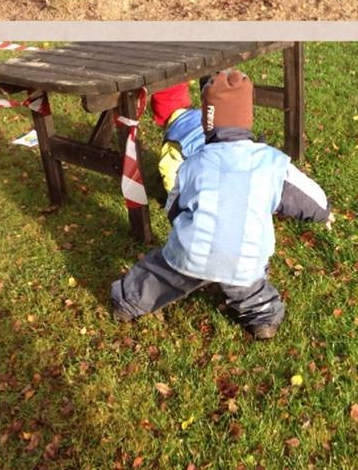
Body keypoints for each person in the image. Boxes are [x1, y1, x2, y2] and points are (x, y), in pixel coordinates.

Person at [109, 70, 332, 339]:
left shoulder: (195, 163)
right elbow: (309, 198)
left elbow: (175, 204)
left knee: (161, 273)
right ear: (248, 118)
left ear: (207, 122)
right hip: (246, 257)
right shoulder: (272, 162)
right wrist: (324, 213)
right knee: (248, 284)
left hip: (193, 251)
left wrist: (184, 228)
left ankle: (126, 302)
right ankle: (264, 319)